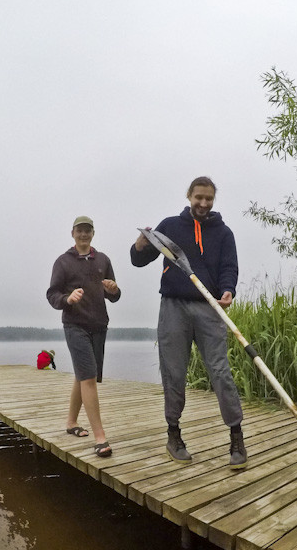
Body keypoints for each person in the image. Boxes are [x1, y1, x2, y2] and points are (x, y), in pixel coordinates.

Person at [130, 176, 247, 469]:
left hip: (209, 308)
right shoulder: (169, 226)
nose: (203, 203)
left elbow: (229, 268)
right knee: (174, 373)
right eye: (199, 197)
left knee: (221, 373)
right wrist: (140, 245)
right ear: (189, 196)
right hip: (174, 307)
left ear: (213, 200)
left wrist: (228, 290)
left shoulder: (224, 233)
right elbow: (138, 261)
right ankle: (174, 434)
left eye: (208, 199)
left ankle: (236, 437)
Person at [46, 215, 121, 458]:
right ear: (72, 233)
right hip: (74, 325)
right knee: (88, 377)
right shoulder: (63, 262)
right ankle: (100, 437)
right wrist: (67, 299)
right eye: (80, 230)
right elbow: (52, 294)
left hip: (99, 325)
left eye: (88, 230)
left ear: (93, 233)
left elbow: (113, 295)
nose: (84, 234)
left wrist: (114, 289)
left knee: (84, 376)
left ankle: (70, 422)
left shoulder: (103, 260)